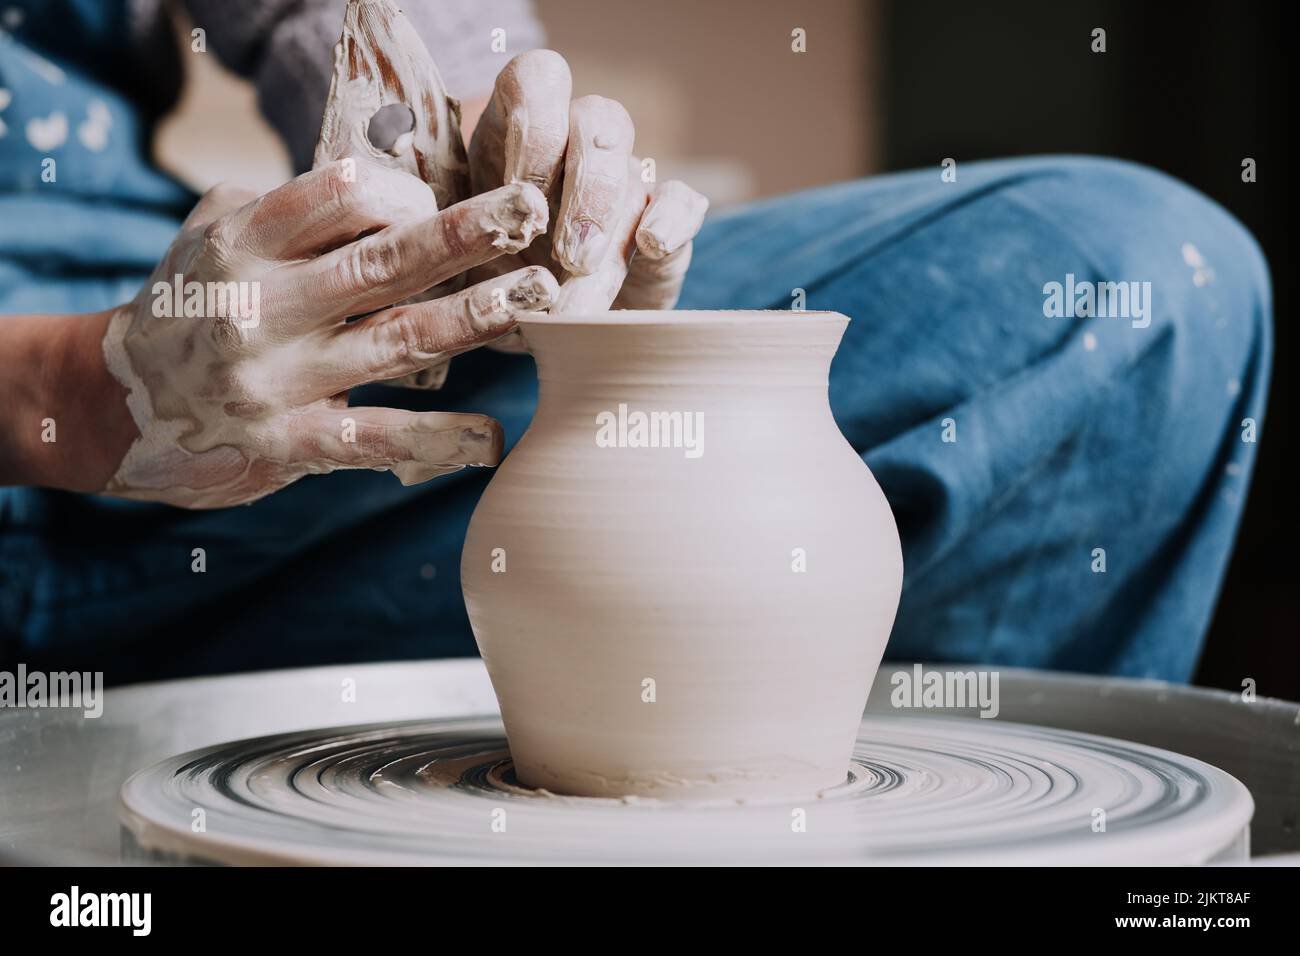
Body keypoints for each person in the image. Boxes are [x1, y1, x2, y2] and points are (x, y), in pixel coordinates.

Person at [0, 0, 1271, 685]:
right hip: (50, 426)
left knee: (1132, 283)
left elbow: (341, 23)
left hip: (200, 342)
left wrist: (485, 156)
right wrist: (70, 391)